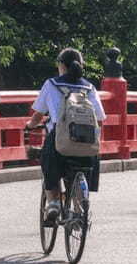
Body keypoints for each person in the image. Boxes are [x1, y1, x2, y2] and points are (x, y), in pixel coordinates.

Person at [25, 48, 106, 222]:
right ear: (81, 65)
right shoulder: (89, 87)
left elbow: (38, 114)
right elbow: (99, 118)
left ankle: (53, 202)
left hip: (60, 140)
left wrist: (30, 125)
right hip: (86, 141)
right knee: (85, 163)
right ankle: (79, 207)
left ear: (61, 65)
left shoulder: (52, 84)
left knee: (48, 160)